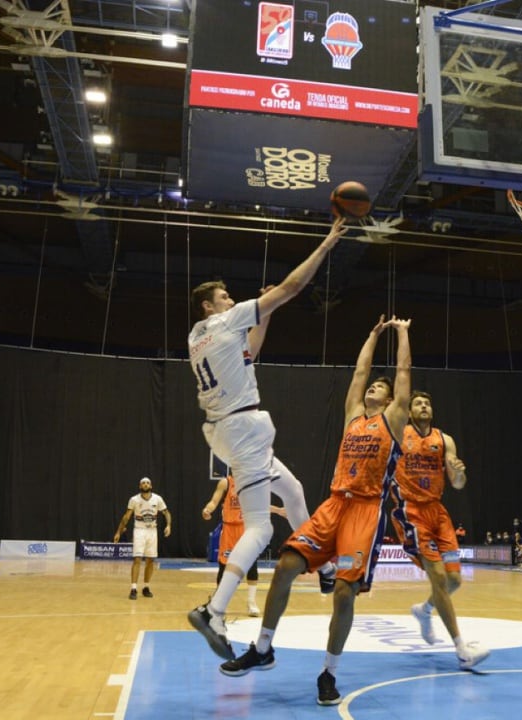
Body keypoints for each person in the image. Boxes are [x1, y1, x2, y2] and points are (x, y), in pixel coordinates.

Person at [218, 316, 419, 706]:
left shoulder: (392, 419)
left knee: (344, 592)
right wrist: (373, 334)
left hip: (364, 512)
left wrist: (403, 334)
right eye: (373, 386)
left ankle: (329, 674)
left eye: (382, 386)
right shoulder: (353, 416)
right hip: (334, 504)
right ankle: (263, 648)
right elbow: (360, 371)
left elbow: (404, 372)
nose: (374, 386)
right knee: (286, 565)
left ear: (392, 398)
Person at [187, 218, 347, 660]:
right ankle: (214, 611)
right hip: (243, 430)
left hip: (226, 431)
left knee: (292, 490)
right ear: (209, 306)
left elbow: (250, 353)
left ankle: (328, 567)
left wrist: (266, 311)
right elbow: (293, 286)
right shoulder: (225, 321)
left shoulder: (198, 337)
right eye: (225, 297)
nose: (232, 300)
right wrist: (328, 242)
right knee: (260, 526)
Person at [391, 390, 489, 667]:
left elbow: (458, 483)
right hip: (411, 511)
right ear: (410, 412)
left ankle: (425, 610)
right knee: (438, 579)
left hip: (438, 512)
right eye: (418, 403)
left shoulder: (444, 440)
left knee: (454, 581)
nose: (424, 406)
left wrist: (458, 472)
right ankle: (461, 650)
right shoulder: (400, 433)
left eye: (427, 403)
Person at [202, 474, 287, 616]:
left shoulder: (250, 483)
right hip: (229, 530)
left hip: (246, 528)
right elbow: (214, 501)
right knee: (224, 567)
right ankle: (219, 603)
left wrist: (278, 510)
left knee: (252, 566)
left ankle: (251, 602)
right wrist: (207, 509)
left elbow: (260, 505)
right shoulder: (226, 483)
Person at [113, 477, 171, 599]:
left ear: (151, 485)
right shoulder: (134, 499)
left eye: (147, 483)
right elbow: (126, 517)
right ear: (140, 486)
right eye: (143, 483)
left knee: (150, 560)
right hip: (139, 530)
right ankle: (133, 588)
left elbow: (166, 513)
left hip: (152, 531)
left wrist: (168, 525)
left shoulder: (157, 499)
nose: (145, 484)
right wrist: (118, 532)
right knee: (137, 559)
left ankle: (146, 586)